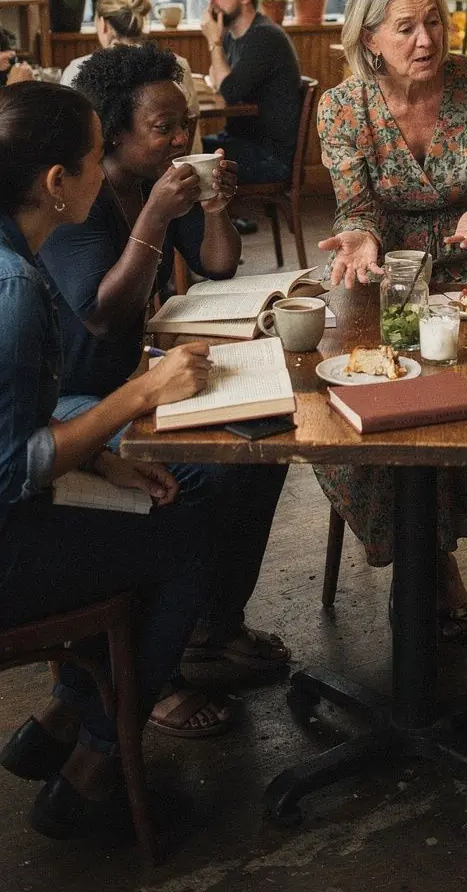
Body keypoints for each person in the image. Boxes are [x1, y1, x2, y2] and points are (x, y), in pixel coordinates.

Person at [38, 43, 291, 730]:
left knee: (264, 447)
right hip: (73, 402)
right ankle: (162, 666)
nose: (183, 139)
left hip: (137, 378)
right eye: (166, 127)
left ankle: (215, 624)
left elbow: (215, 266)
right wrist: (152, 216)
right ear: (114, 129)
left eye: (188, 125)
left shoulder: (162, 179)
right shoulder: (80, 201)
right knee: (195, 477)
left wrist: (212, 206)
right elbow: (102, 312)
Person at [0, 81, 214, 839]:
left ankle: (62, 721)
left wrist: (101, 459)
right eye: (95, 159)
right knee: (185, 542)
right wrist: (138, 397)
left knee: (146, 502)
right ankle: (92, 774)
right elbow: (12, 468)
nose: (105, 174)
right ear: (57, 183)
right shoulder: (18, 287)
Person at [314, 0, 467, 641]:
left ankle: (436, 561)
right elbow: (357, 208)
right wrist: (361, 244)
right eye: (406, 27)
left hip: (463, 266)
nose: (427, 39)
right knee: (362, 394)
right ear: (370, 38)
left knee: (463, 393)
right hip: (379, 273)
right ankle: (416, 557)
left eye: (434, 21)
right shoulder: (343, 107)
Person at [201, 0, 301, 232]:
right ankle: (211, 234)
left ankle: (210, 242)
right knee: (187, 149)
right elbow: (218, 79)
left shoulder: (265, 37)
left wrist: (214, 42)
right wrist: (219, 41)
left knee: (192, 160)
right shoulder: (236, 35)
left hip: (269, 157)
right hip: (239, 141)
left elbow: (229, 91)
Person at [60, 0, 200, 134]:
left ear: (103, 24)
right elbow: (192, 131)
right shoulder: (176, 64)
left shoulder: (77, 70)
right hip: (175, 157)